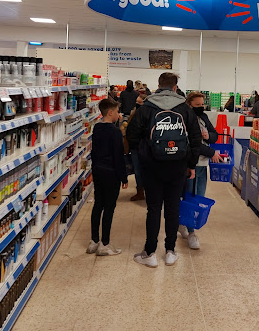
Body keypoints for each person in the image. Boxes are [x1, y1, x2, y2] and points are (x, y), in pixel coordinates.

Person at [127, 72, 202, 267]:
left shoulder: (147, 107)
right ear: (175, 87)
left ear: (159, 85)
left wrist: (144, 154)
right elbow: (196, 139)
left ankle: (150, 253)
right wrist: (191, 164)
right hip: (178, 166)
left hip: (152, 166)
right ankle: (170, 251)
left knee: (153, 209)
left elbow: (132, 134)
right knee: (172, 208)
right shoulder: (185, 109)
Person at [180, 92, 223, 249]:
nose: (200, 107)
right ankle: (191, 231)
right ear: (189, 104)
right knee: (190, 197)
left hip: (202, 165)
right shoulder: (185, 119)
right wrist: (212, 152)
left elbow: (215, 135)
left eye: (202, 104)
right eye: (197, 105)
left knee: (198, 196)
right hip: (190, 164)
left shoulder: (203, 117)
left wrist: (208, 135)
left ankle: (184, 225)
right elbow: (192, 143)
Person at [86, 98, 128, 256]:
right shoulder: (115, 132)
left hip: (98, 170)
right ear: (110, 112)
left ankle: (94, 241)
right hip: (112, 173)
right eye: (117, 111)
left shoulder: (97, 127)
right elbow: (118, 156)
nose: (119, 114)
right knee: (109, 207)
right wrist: (124, 177)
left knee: (98, 204)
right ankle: (105, 244)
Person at [126, 95, 145, 201]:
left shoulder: (141, 115)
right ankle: (140, 191)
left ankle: (142, 191)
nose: (138, 104)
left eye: (140, 102)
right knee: (138, 171)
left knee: (140, 170)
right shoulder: (134, 114)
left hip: (139, 147)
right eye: (137, 102)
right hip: (136, 147)